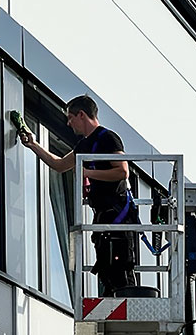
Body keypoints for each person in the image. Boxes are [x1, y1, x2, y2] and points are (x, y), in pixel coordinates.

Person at [19, 95, 137, 296]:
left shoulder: (108, 138)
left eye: (70, 117)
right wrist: (34, 145)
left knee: (119, 267)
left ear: (81, 115)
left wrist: (87, 173)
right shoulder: (84, 145)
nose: (68, 122)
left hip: (118, 217)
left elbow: (122, 172)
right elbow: (59, 165)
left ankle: (126, 302)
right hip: (103, 216)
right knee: (107, 267)